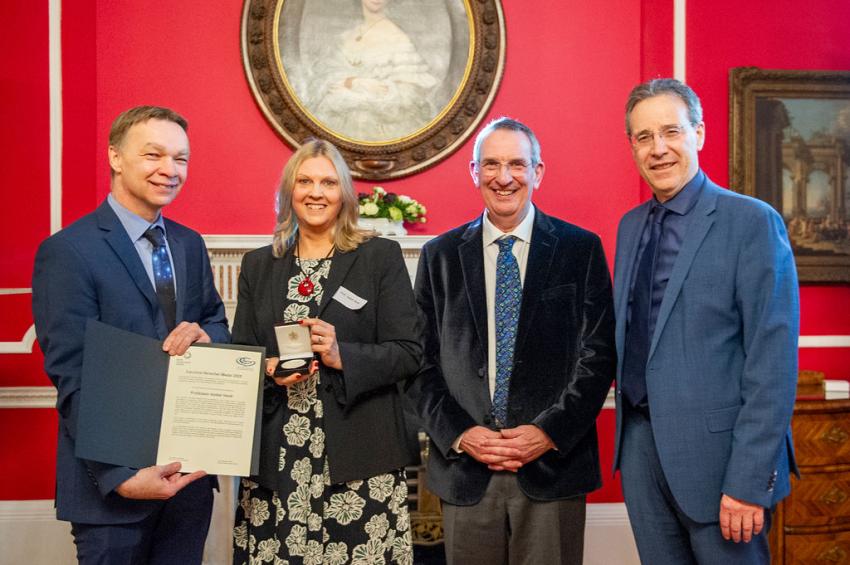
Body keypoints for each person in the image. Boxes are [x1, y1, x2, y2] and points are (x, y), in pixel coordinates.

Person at [409, 117, 616, 564]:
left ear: (537, 172)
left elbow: (598, 357)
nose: (504, 177)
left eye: (517, 164)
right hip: (466, 472)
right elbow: (420, 364)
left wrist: (547, 432)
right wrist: (461, 434)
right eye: (491, 164)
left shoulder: (580, 249)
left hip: (553, 469)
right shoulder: (439, 256)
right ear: (474, 171)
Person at [31, 106, 230, 564]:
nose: (170, 170)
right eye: (154, 155)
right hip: (111, 491)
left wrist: (208, 339)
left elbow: (216, 322)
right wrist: (119, 475)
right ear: (116, 158)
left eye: (180, 158)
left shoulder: (189, 244)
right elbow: (72, 374)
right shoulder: (68, 251)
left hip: (187, 481)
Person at [613, 78, 799, 563]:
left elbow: (772, 364)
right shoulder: (630, 228)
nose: (658, 148)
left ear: (698, 133)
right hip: (640, 451)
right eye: (644, 136)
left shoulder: (752, 222)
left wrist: (748, 481)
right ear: (632, 146)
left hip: (721, 464)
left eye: (671, 131)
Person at [231, 139, 422, 564]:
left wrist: (342, 355)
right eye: (305, 181)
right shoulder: (258, 265)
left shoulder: (379, 257)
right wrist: (268, 369)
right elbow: (240, 354)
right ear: (289, 191)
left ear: (344, 194)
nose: (316, 193)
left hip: (360, 459)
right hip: (278, 459)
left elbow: (409, 352)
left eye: (328, 183)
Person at [297, 0, 438, 141]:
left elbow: (409, 96)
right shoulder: (348, 35)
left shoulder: (398, 38)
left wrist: (369, 94)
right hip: (339, 127)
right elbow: (326, 77)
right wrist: (353, 82)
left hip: (381, 127)